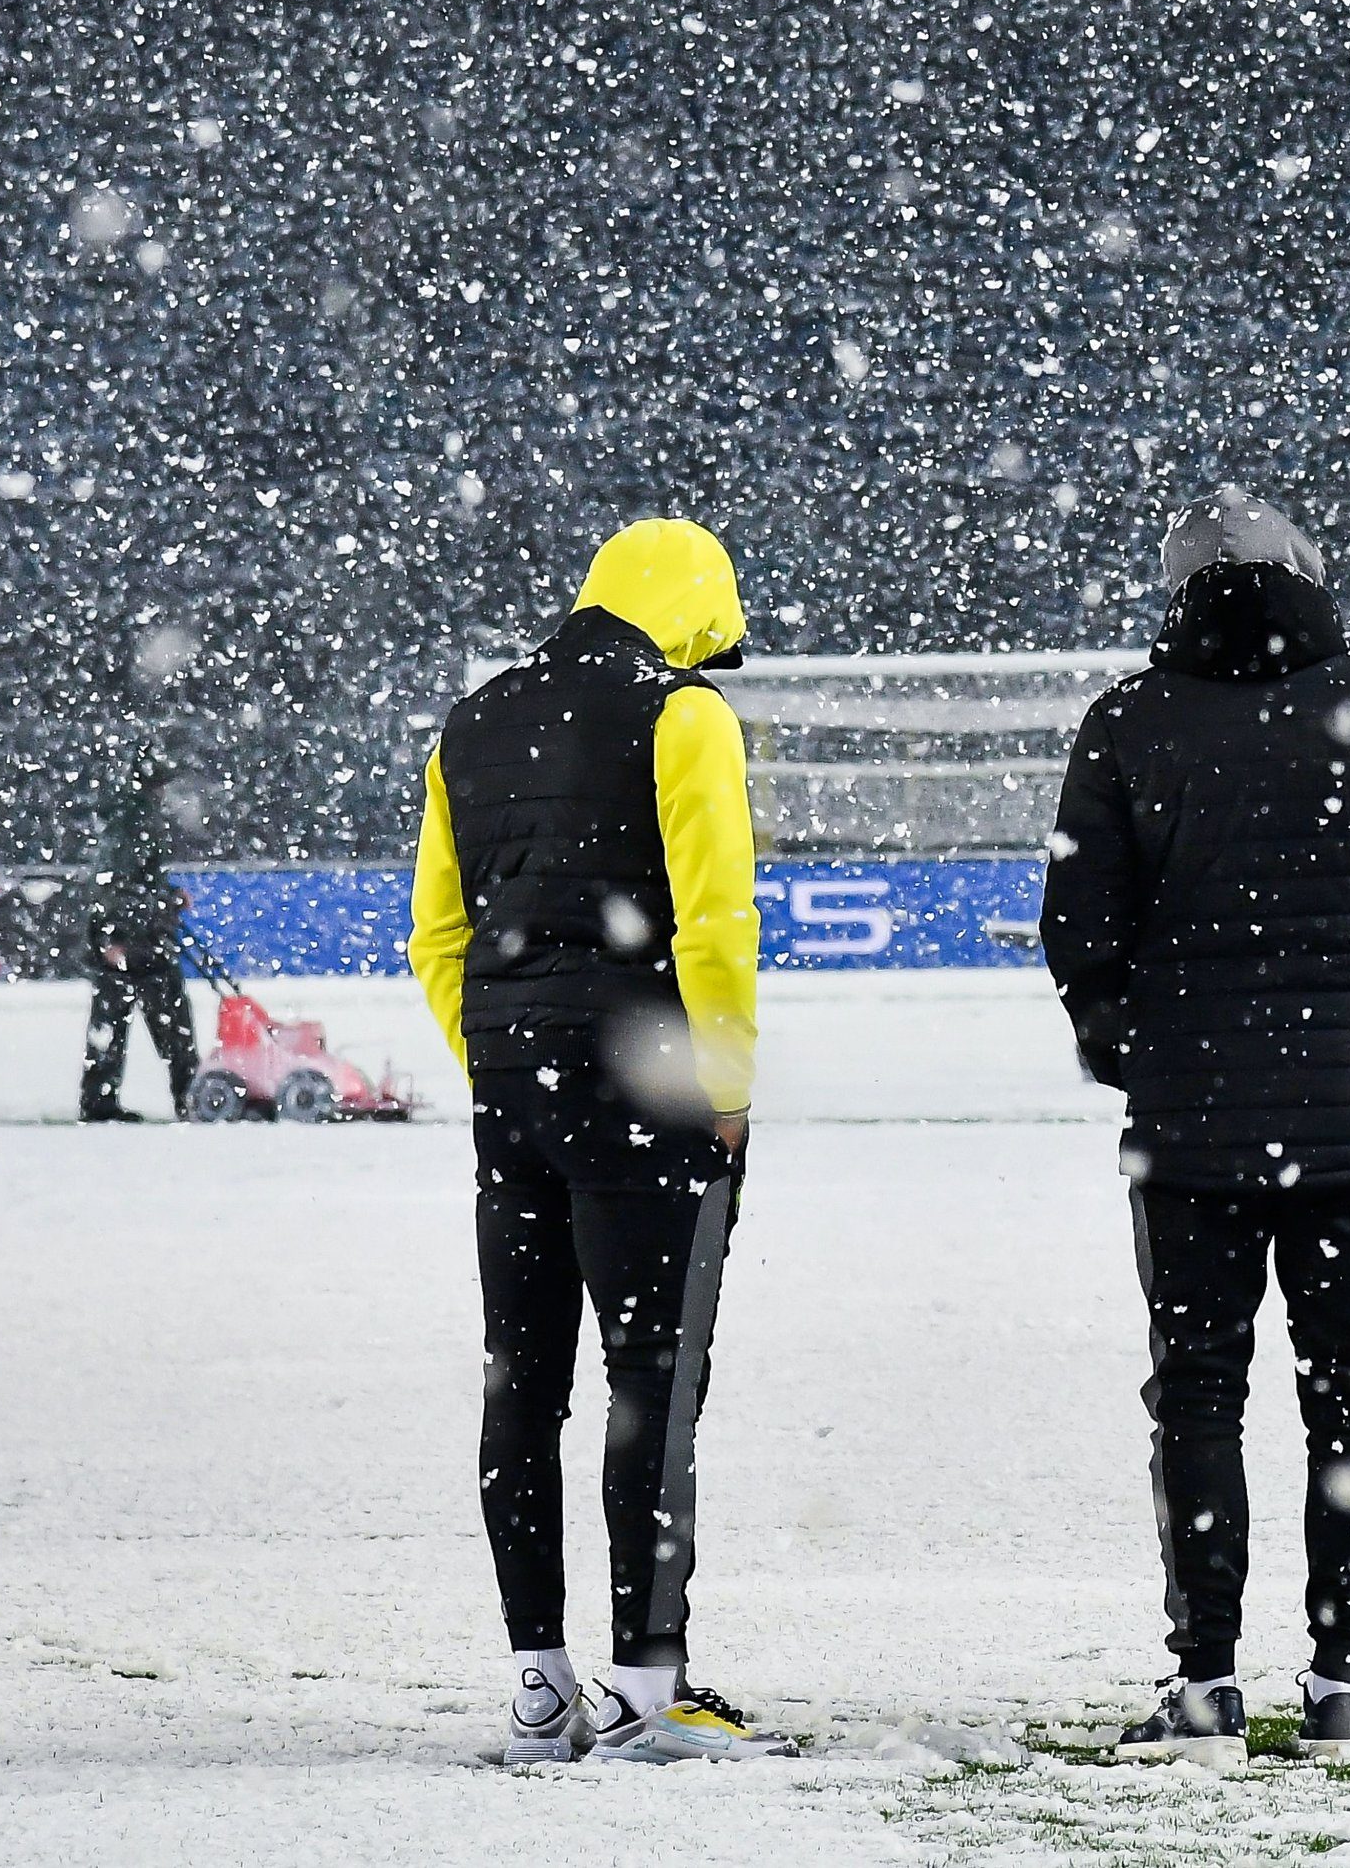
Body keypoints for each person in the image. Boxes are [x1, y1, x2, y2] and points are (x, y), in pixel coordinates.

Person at [1043, 487, 1350, 1764]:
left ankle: (1203, 1681)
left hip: (1191, 1129)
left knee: (1196, 1397)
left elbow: (1077, 931)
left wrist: (1138, 1047)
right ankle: (1340, 1677)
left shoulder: (1127, 719)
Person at [406, 518, 784, 1766]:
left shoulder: (472, 720)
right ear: (692, 609)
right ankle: (646, 1683)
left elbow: (437, 934)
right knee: (652, 1383)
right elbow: (715, 916)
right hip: (643, 1071)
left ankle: (538, 1682)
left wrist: (507, 1053)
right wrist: (721, 1081)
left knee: (524, 1377)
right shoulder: (682, 718)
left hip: (511, 1079)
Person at [74, 778, 197, 1123]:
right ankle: (189, 1097)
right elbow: (121, 887)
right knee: (174, 1030)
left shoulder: (127, 825)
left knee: (111, 1029)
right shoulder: (135, 827)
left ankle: (99, 1100)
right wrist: (115, 936)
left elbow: (127, 883)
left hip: (133, 941)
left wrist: (167, 896)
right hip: (137, 944)